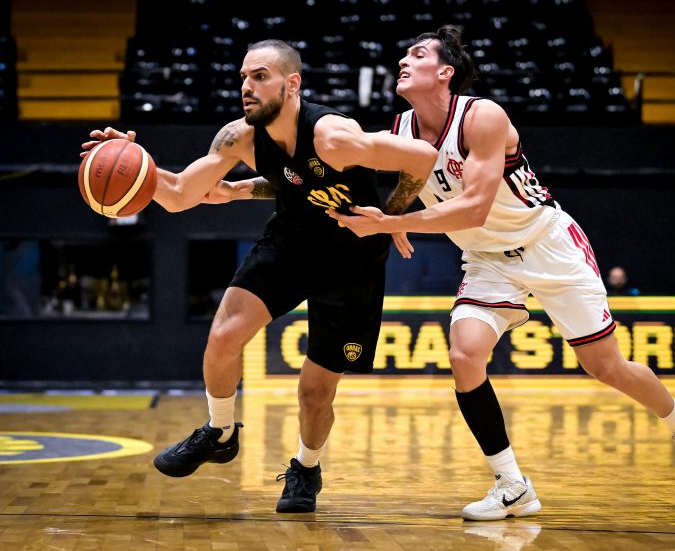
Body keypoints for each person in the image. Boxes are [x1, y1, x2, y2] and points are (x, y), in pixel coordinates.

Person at [327, 25, 675, 521]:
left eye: (418, 54)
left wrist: (392, 223)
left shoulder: (483, 116)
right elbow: (412, 175)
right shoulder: (403, 127)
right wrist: (393, 213)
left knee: (605, 367)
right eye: (405, 54)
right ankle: (512, 485)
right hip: (487, 259)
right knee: (464, 355)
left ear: (445, 72)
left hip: (546, 245)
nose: (403, 60)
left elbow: (473, 207)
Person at [81, 39, 438, 513]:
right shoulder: (240, 136)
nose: (247, 87)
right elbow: (181, 194)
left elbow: (422, 157)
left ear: (292, 84)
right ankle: (220, 431)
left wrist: (392, 218)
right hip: (290, 241)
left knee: (314, 392)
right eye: (244, 78)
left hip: (350, 257)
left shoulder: (334, 136)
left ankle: (306, 468)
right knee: (223, 336)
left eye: (260, 76)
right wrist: (135, 162)